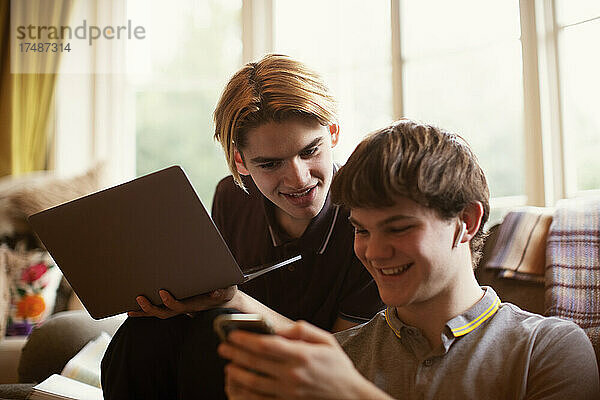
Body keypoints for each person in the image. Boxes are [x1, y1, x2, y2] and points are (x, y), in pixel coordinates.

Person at [218, 119, 600, 399]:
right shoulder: (336, 359)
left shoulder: (548, 350)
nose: (374, 252)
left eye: (398, 228)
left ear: (466, 221)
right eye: (362, 230)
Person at [100, 54, 383, 399]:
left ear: (333, 134)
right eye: (270, 163)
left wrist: (235, 300)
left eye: (310, 151)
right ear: (240, 161)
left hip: (315, 380)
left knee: (212, 332)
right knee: (145, 328)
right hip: (228, 367)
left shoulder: (368, 218)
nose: (299, 178)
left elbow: (343, 356)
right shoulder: (232, 198)